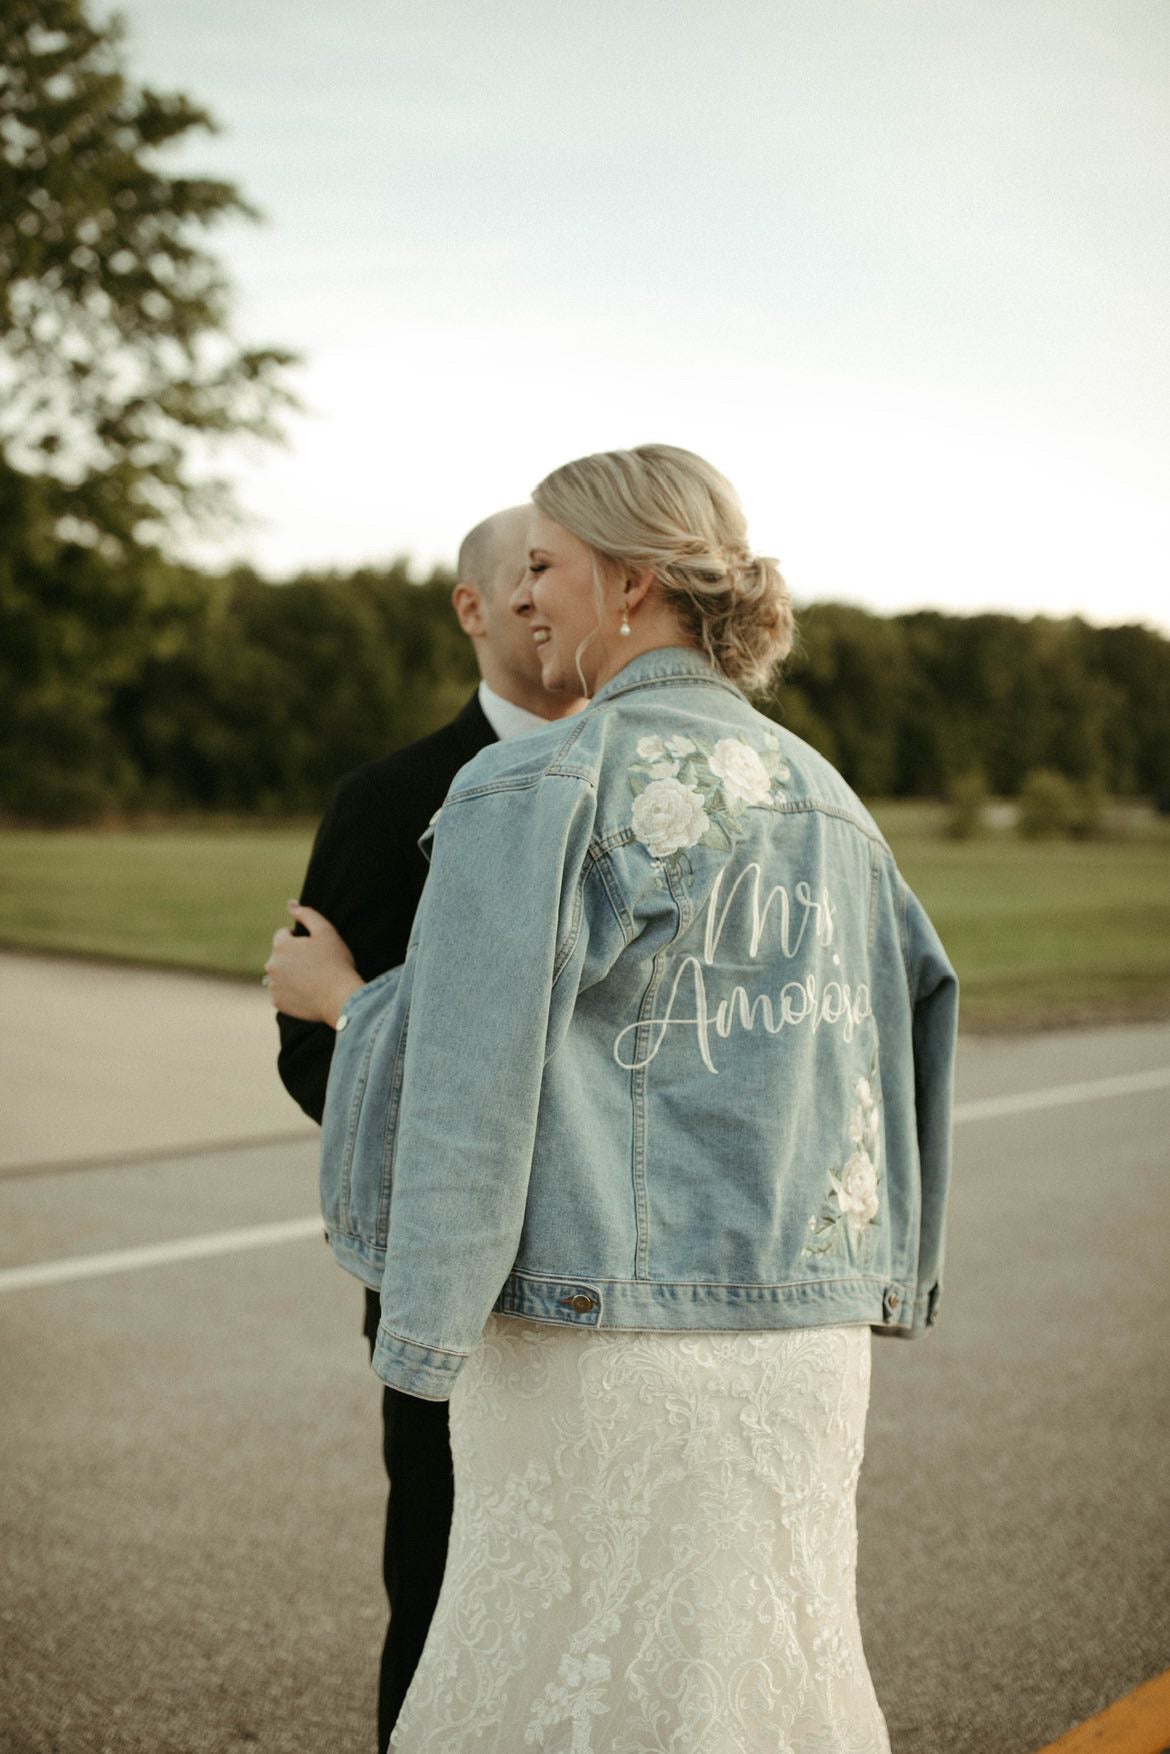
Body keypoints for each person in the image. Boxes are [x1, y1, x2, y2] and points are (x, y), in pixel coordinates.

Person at [279, 444, 958, 1751]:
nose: (523, 597)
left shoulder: (536, 779)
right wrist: (891, 1271)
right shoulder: (830, 798)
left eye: (544, 565)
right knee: (758, 1683)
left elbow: (468, 1085)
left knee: (548, 1690)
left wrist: (418, 1336)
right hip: (801, 1348)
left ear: (632, 580)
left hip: (595, 1345)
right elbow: (910, 1019)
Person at [267, 504, 586, 1750]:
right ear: (471, 606)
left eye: (561, 577)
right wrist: (366, 1032)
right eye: (522, 578)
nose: (537, 601)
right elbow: (308, 1053)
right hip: (441, 1280)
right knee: (444, 1595)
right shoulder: (389, 796)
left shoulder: (640, 775)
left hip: (619, 1284)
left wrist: (368, 1016)